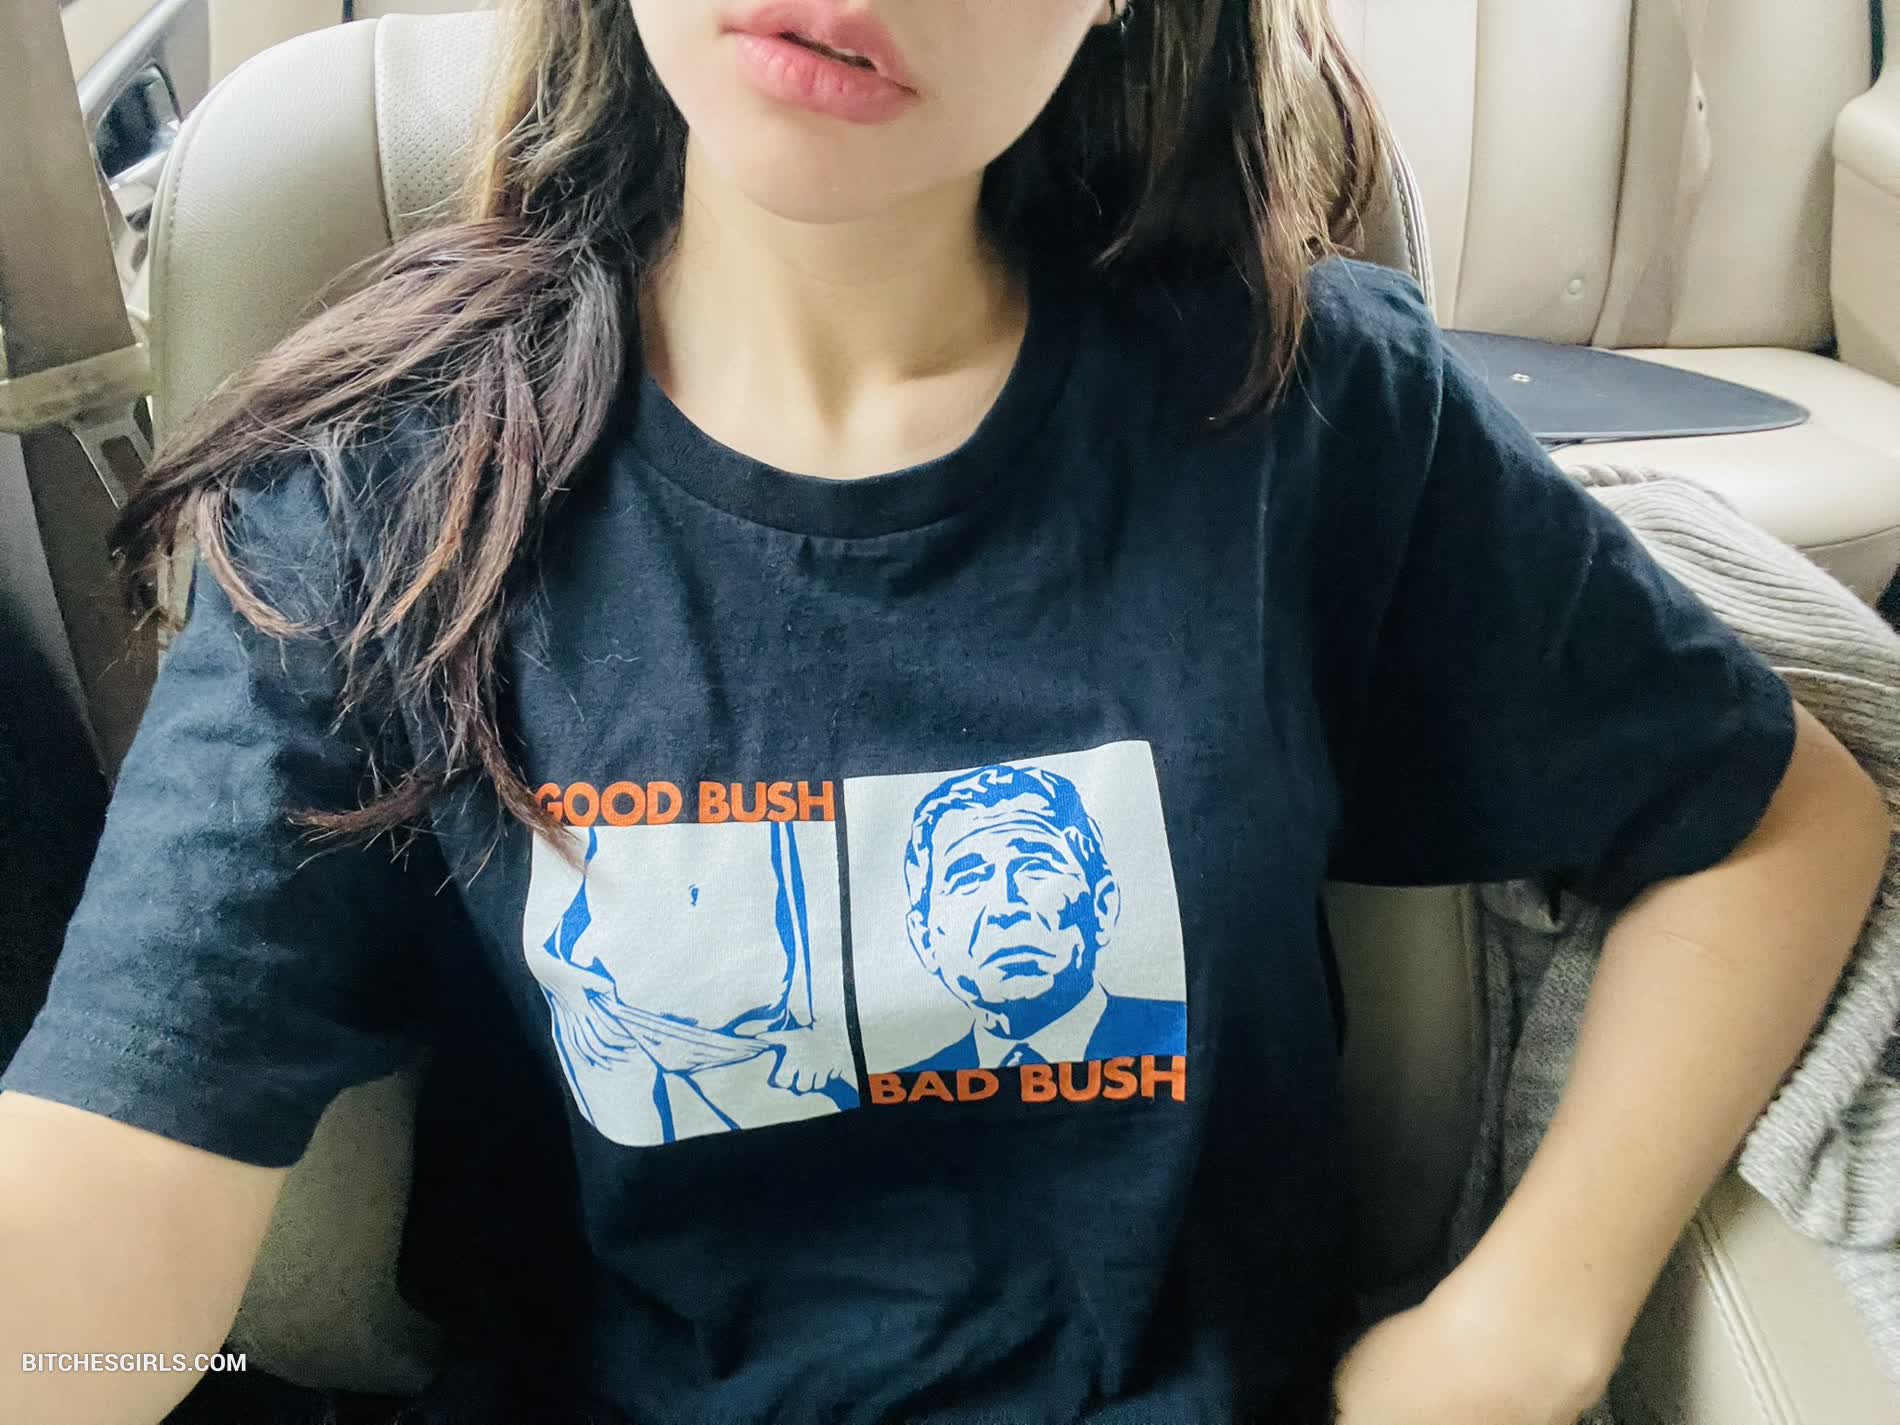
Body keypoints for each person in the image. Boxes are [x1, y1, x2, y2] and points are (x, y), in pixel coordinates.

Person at [0, 1, 1888, 1423]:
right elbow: (105, 1198)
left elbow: (1772, 820)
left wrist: (1522, 1329)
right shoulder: (383, 494)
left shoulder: (1306, 415)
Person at [897, 762, 1187, 1072]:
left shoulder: (1186, 1035)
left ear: (1103, 906)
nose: (1005, 908)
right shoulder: (902, 1087)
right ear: (924, 939)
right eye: (967, 878)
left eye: (1035, 866)